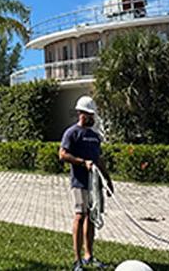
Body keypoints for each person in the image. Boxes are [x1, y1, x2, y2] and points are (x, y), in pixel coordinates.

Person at [59, 96, 114, 271]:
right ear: (82, 114)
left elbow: (99, 159)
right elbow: (63, 154)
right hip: (80, 183)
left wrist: (108, 180)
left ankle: (88, 255)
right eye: (91, 115)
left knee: (92, 217)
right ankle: (77, 261)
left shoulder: (95, 136)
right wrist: (83, 162)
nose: (93, 118)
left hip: (95, 184)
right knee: (80, 216)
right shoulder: (72, 133)